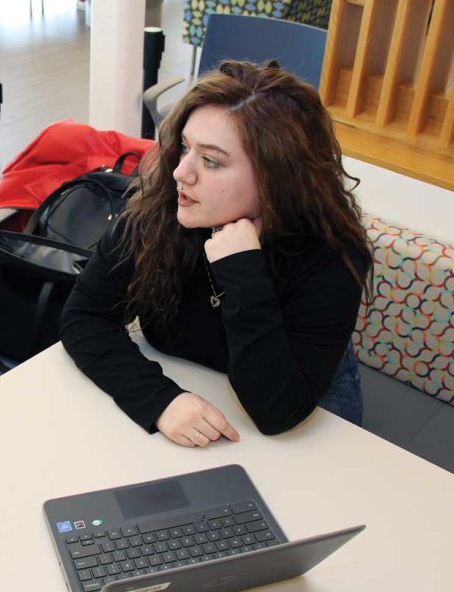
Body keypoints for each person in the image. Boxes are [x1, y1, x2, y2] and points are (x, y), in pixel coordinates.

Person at [60, 60, 373, 447]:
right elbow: (84, 316)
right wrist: (160, 400)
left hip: (301, 402)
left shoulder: (329, 254)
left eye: (211, 161)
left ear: (277, 178)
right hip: (194, 387)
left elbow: (278, 412)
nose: (181, 172)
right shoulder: (161, 211)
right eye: (186, 148)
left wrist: (243, 272)